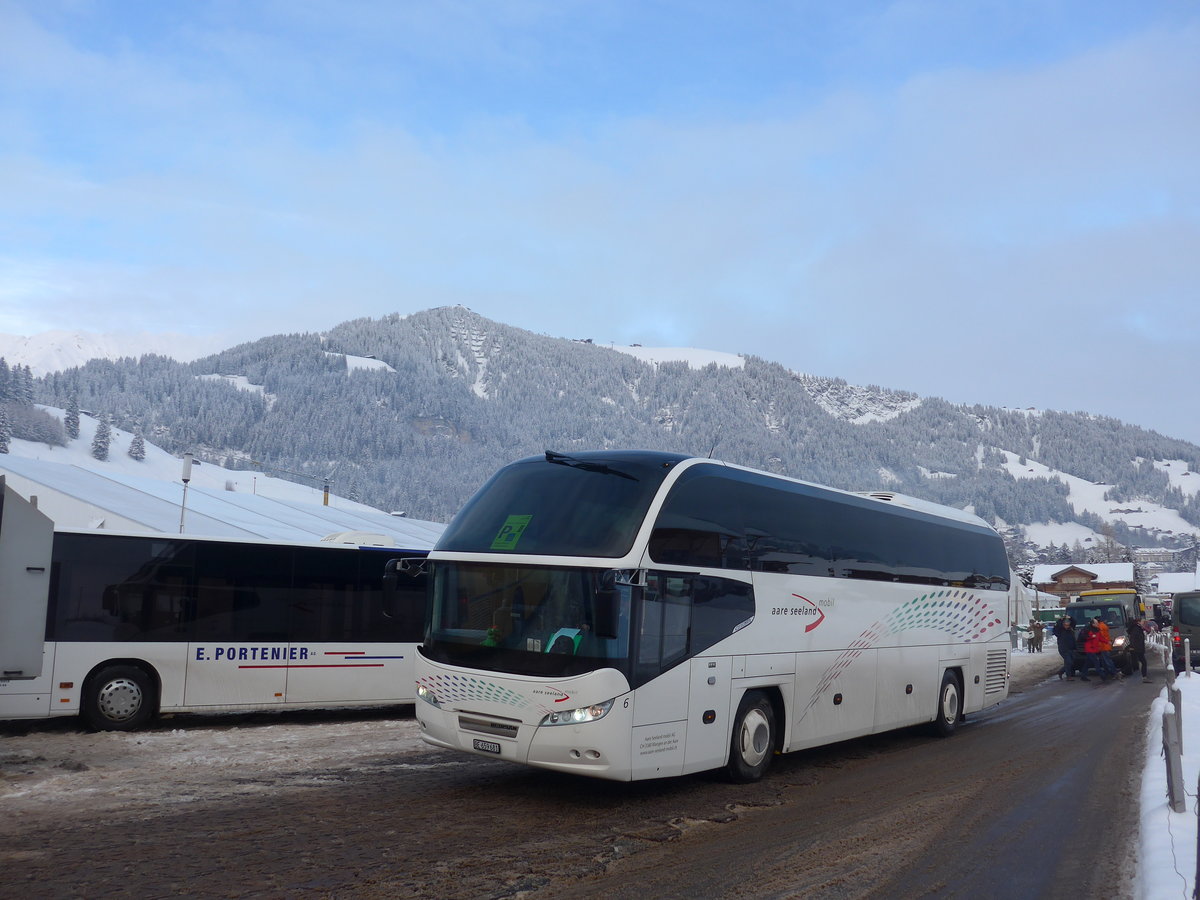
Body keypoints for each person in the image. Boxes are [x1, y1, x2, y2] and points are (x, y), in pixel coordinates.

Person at [1052, 615, 1076, 680]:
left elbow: (1074, 622)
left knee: (1071, 662)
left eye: (1068, 624)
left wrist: (1070, 617)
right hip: (1064, 649)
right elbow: (1056, 628)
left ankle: (1061, 671)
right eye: (1065, 624)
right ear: (1063, 624)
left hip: (1071, 648)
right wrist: (1060, 620)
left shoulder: (1070, 629)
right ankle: (1068, 676)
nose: (1067, 625)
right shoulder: (1060, 631)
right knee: (1069, 662)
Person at [1127, 616, 1150, 683]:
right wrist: (1134, 647)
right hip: (1137, 649)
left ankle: (1121, 673)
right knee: (1143, 663)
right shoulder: (1136, 629)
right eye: (1142, 621)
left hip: (1137, 648)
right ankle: (1144, 678)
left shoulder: (1138, 628)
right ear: (1138, 622)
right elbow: (1133, 639)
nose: (1143, 623)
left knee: (1133, 663)